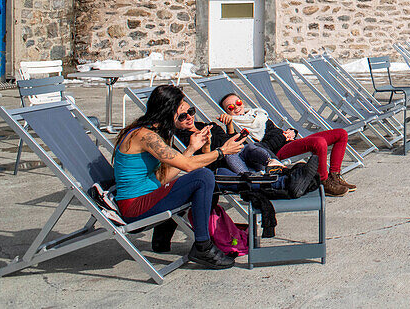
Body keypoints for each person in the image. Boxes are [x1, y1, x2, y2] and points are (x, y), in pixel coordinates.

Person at [113, 84, 246, 269]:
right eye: (183, 114)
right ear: (168, 112)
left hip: (149, 195)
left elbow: (163, 176)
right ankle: (203, 246)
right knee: (203, 177)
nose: (189, 117)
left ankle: (163, 240)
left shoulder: (153, 131)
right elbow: (189, 166)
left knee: (194, 180)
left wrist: (192, 148)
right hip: (135, 207)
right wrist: (222, 151)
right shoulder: (144, 136)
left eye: (190, 111)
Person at [217, 93, 356, 196]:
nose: (236, 108)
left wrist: (290, 132)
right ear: (226, 112)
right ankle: (324, 182)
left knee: (341, 134)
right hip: (277, 152)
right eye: (230, 107)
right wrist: (282, 137)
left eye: (238, 102)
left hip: (287, 142)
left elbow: (274, 131)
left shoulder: (256, 115)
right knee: (318, 143)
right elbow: (262, 147)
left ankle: (334, 176)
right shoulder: (237, 127)